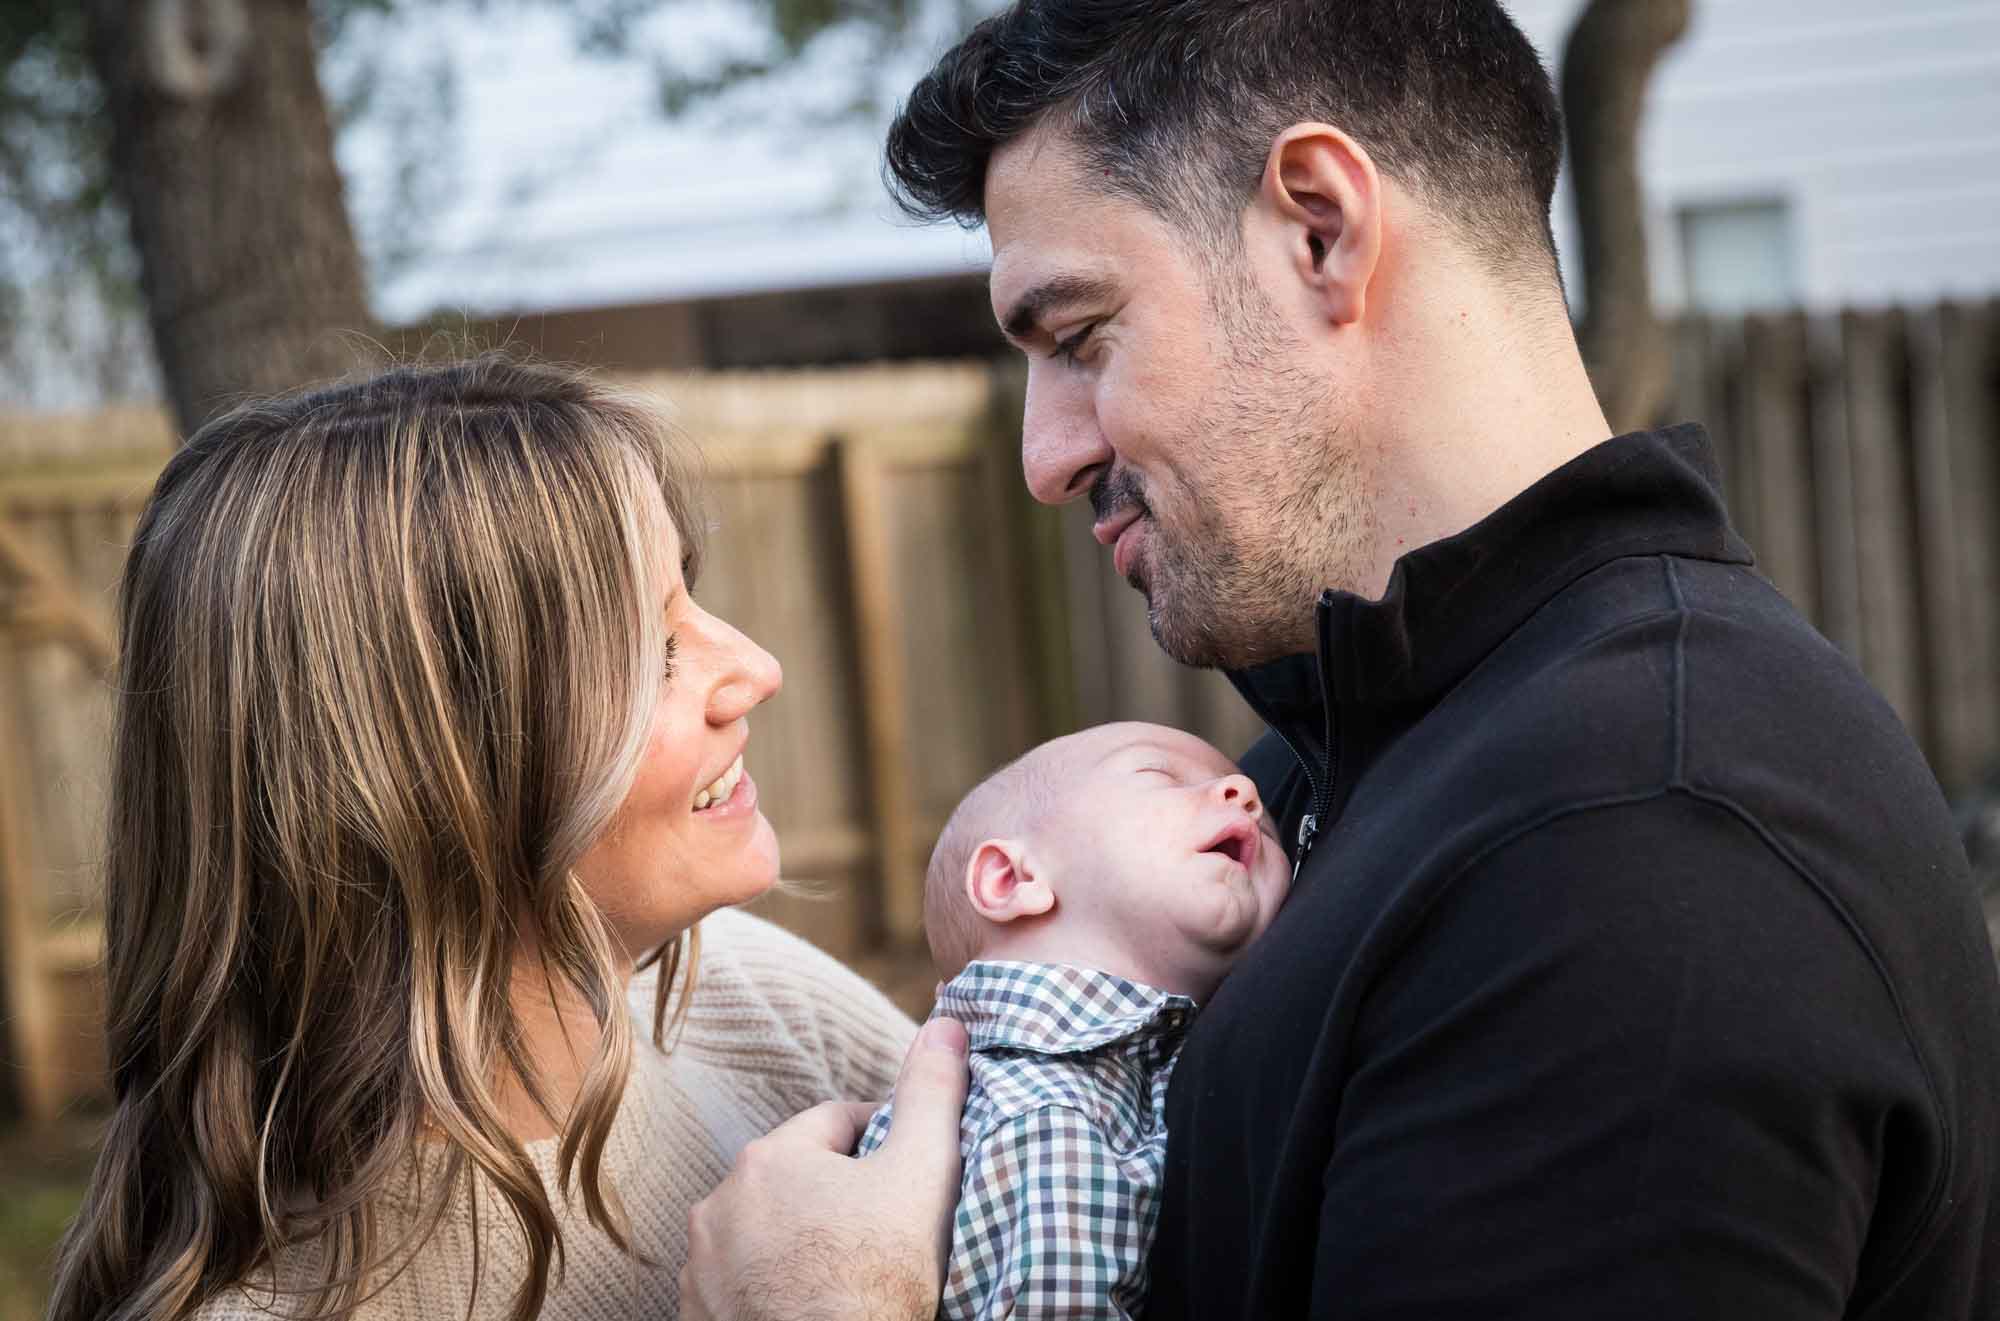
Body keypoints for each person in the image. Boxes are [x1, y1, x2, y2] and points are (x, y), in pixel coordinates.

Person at [682, 2, 2000, 1317]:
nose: (1047, 460)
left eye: (1081, 338)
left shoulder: (1635, 847)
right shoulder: (1363, 768)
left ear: (1320, 227)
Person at [45, 356, 942, 1321]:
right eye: (654, 650)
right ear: (428, 780)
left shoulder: (751, 1003)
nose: (757, 668)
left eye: (689, 594)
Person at [855, 721, 1290, 1319]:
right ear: (1014, 880)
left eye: (1268, 825)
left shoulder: (1124, 1085)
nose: (1244, 791)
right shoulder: (1042, 1115)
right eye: (1159, 775)